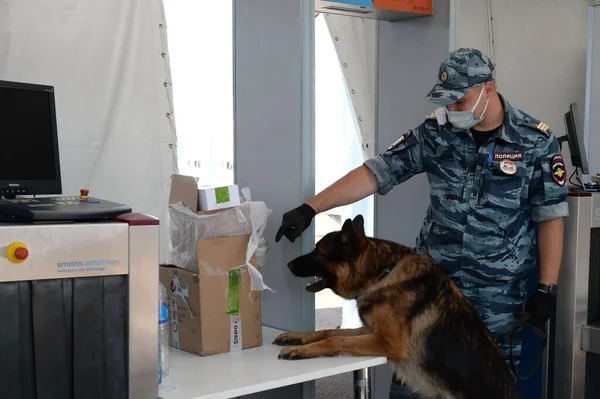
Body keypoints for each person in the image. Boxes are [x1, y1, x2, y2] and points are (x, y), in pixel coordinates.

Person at [275, 48, 568, 398]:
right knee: (411, 386)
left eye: (462, 100)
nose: (454, 110)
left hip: (496, 300)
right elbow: (375, 173)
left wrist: (546, 288)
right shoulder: (435, 132)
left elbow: (549, 216)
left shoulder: (535, 141)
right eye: (449, 102)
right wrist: (311, 208)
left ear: (488, 88)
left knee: (484, 390)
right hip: (427, 290)